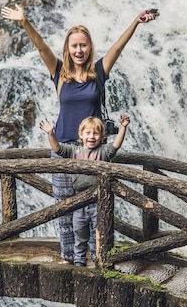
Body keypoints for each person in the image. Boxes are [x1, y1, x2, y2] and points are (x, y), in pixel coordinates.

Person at [1, 3, 157, 264]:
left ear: (89, 47)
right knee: (64, 206)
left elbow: (118, 47)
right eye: (74, 46)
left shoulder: (98, 72)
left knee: (98, 202)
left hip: (94, 149)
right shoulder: (59, 73)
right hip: (63, 149)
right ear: (67, 48)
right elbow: (41, 47)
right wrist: (24, 21)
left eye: (83, 45)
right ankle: (70, 258)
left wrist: (136, 22)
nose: (79, 50)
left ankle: (100, 256)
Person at [39, 114, 130, 266]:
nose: (91, 136)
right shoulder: (74, 151)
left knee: (98, 234)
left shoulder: (103, 152)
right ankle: (79, 260)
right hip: (79, 202)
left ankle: (98, 259)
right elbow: (57, 149)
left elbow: (116, 145)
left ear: (101, 136)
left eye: (96, 133)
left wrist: (123, 127)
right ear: (81, 135)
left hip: (98, 202)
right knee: (79, 234)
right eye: (88, 133)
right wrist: (51, 133)